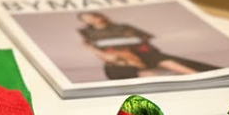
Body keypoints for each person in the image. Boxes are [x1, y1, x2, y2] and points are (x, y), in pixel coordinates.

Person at [76, 11, 217, 80]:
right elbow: (93, 48)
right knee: (143, 73)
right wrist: (111, 54)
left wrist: (132, 43)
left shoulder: (122, 27)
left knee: (172, 64)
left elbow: (145, 37)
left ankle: (199, 79)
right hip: (118, 56)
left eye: (94, 16)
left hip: (143, 52)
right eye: (88, 18)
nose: (94, 19)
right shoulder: (87, 33)